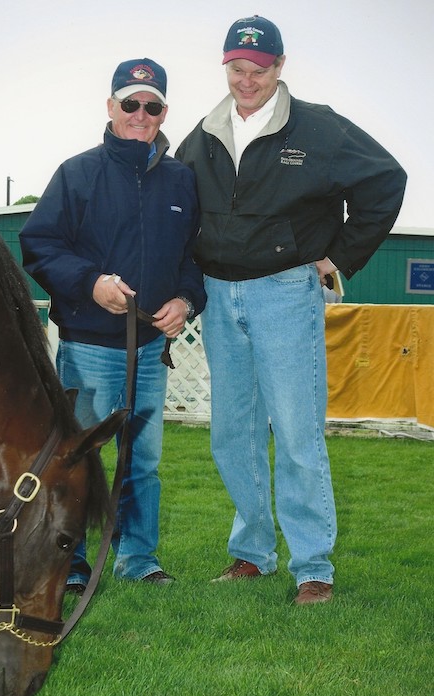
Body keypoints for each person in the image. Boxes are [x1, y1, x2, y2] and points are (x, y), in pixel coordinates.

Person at [176, 16, 406, 604]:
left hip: (285, 291)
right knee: (233, 434)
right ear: (224, 66)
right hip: (220, 296)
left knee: (298, 433)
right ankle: (253, 552)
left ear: (279, 68)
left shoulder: (319, 128)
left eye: (258, 69)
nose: (246, 79)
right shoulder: (202, 135)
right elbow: (178, 213)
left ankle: (312, 566)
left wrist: (340, 258)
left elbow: (385, 181)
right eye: (236, 68)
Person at [20, 58, 206, 592]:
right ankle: (71, 564)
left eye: (151, 106)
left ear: (164, 112)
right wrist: (89, 282)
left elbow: (196, 257)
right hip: (89, 347)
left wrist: (186, 300)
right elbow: (39, 245)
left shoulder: (181, 181)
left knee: (142, 461)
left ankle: (139, 560)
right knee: (78, 459)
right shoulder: (77, 173)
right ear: (111, 107)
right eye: (130, 103)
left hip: (150, 348)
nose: (140, 114)